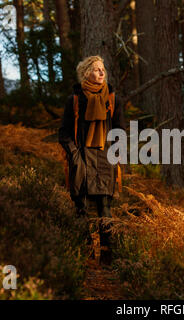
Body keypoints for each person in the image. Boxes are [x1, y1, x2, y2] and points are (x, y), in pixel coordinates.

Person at [58, 56, 126, 265]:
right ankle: (85, 257)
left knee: (105, 211)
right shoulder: (75, 100)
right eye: (97, 69)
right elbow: (64, 133)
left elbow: (120, 131)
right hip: (82, 162)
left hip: (105, 161)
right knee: (82, 211)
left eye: (103, 69)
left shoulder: (112, 99)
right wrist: (74, 155)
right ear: (86, 73)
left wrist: (114, 154)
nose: (101, 72)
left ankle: (107, 258)